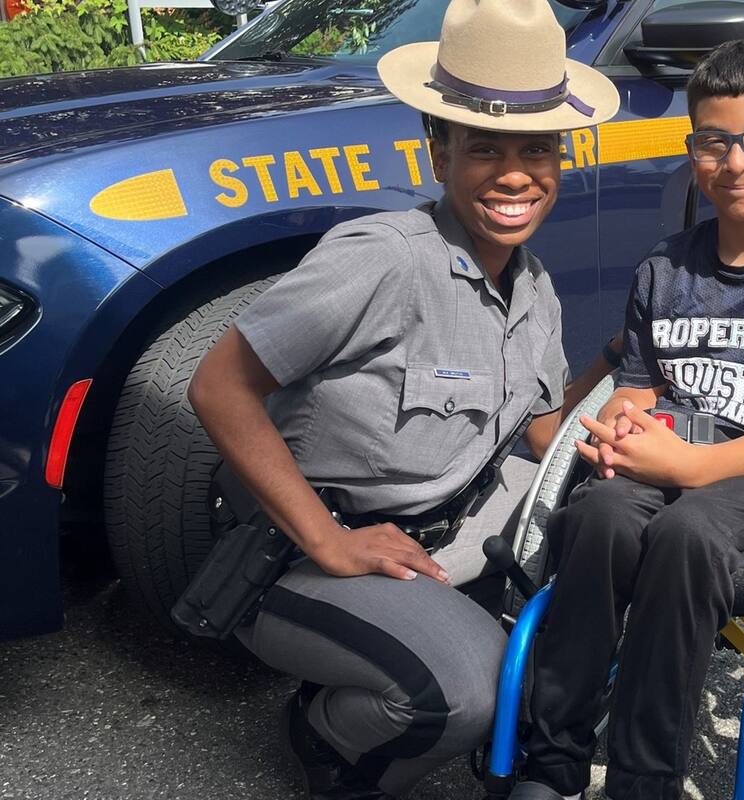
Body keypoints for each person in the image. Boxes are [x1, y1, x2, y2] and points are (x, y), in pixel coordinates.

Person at [186, 2, 619, 798]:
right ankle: (328, 746)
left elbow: (541, 436)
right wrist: (327, 542)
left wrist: (619, 395)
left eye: (537, 148)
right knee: (467, 693)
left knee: (620, 561)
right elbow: (218, 387)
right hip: (304, 550)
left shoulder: (535, 286)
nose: (516, 173)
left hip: (452, 525)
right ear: (438, 150)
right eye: (485, 148)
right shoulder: (383, 258)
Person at [514, 37, 744, 800]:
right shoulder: (664, 269)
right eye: (715, 142)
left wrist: (695, 469)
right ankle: (552, 760)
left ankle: (643, 779)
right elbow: (642, 386)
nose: (738, 161)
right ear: (694, 153)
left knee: (685, 535)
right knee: (597, 518)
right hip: (670, 448)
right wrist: (622, 420)